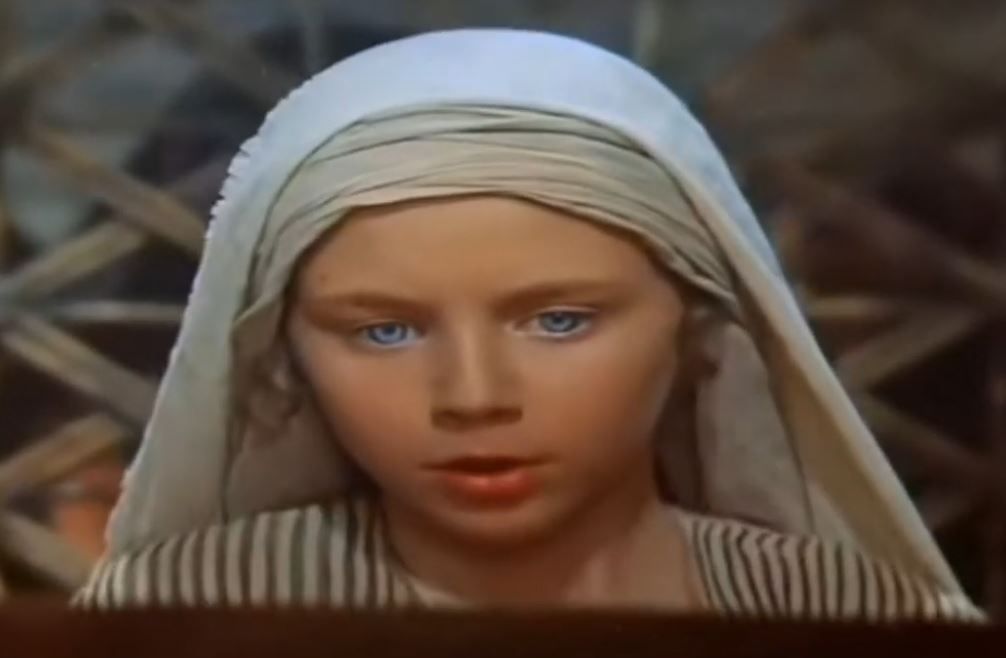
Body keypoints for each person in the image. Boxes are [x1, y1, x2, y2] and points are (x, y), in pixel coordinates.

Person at [73, 29, 983, 620]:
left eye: (558, 320)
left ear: (696, 324)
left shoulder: (849, 618)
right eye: (385, 332)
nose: (473, 397)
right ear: (287, 350)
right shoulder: (178, 616)